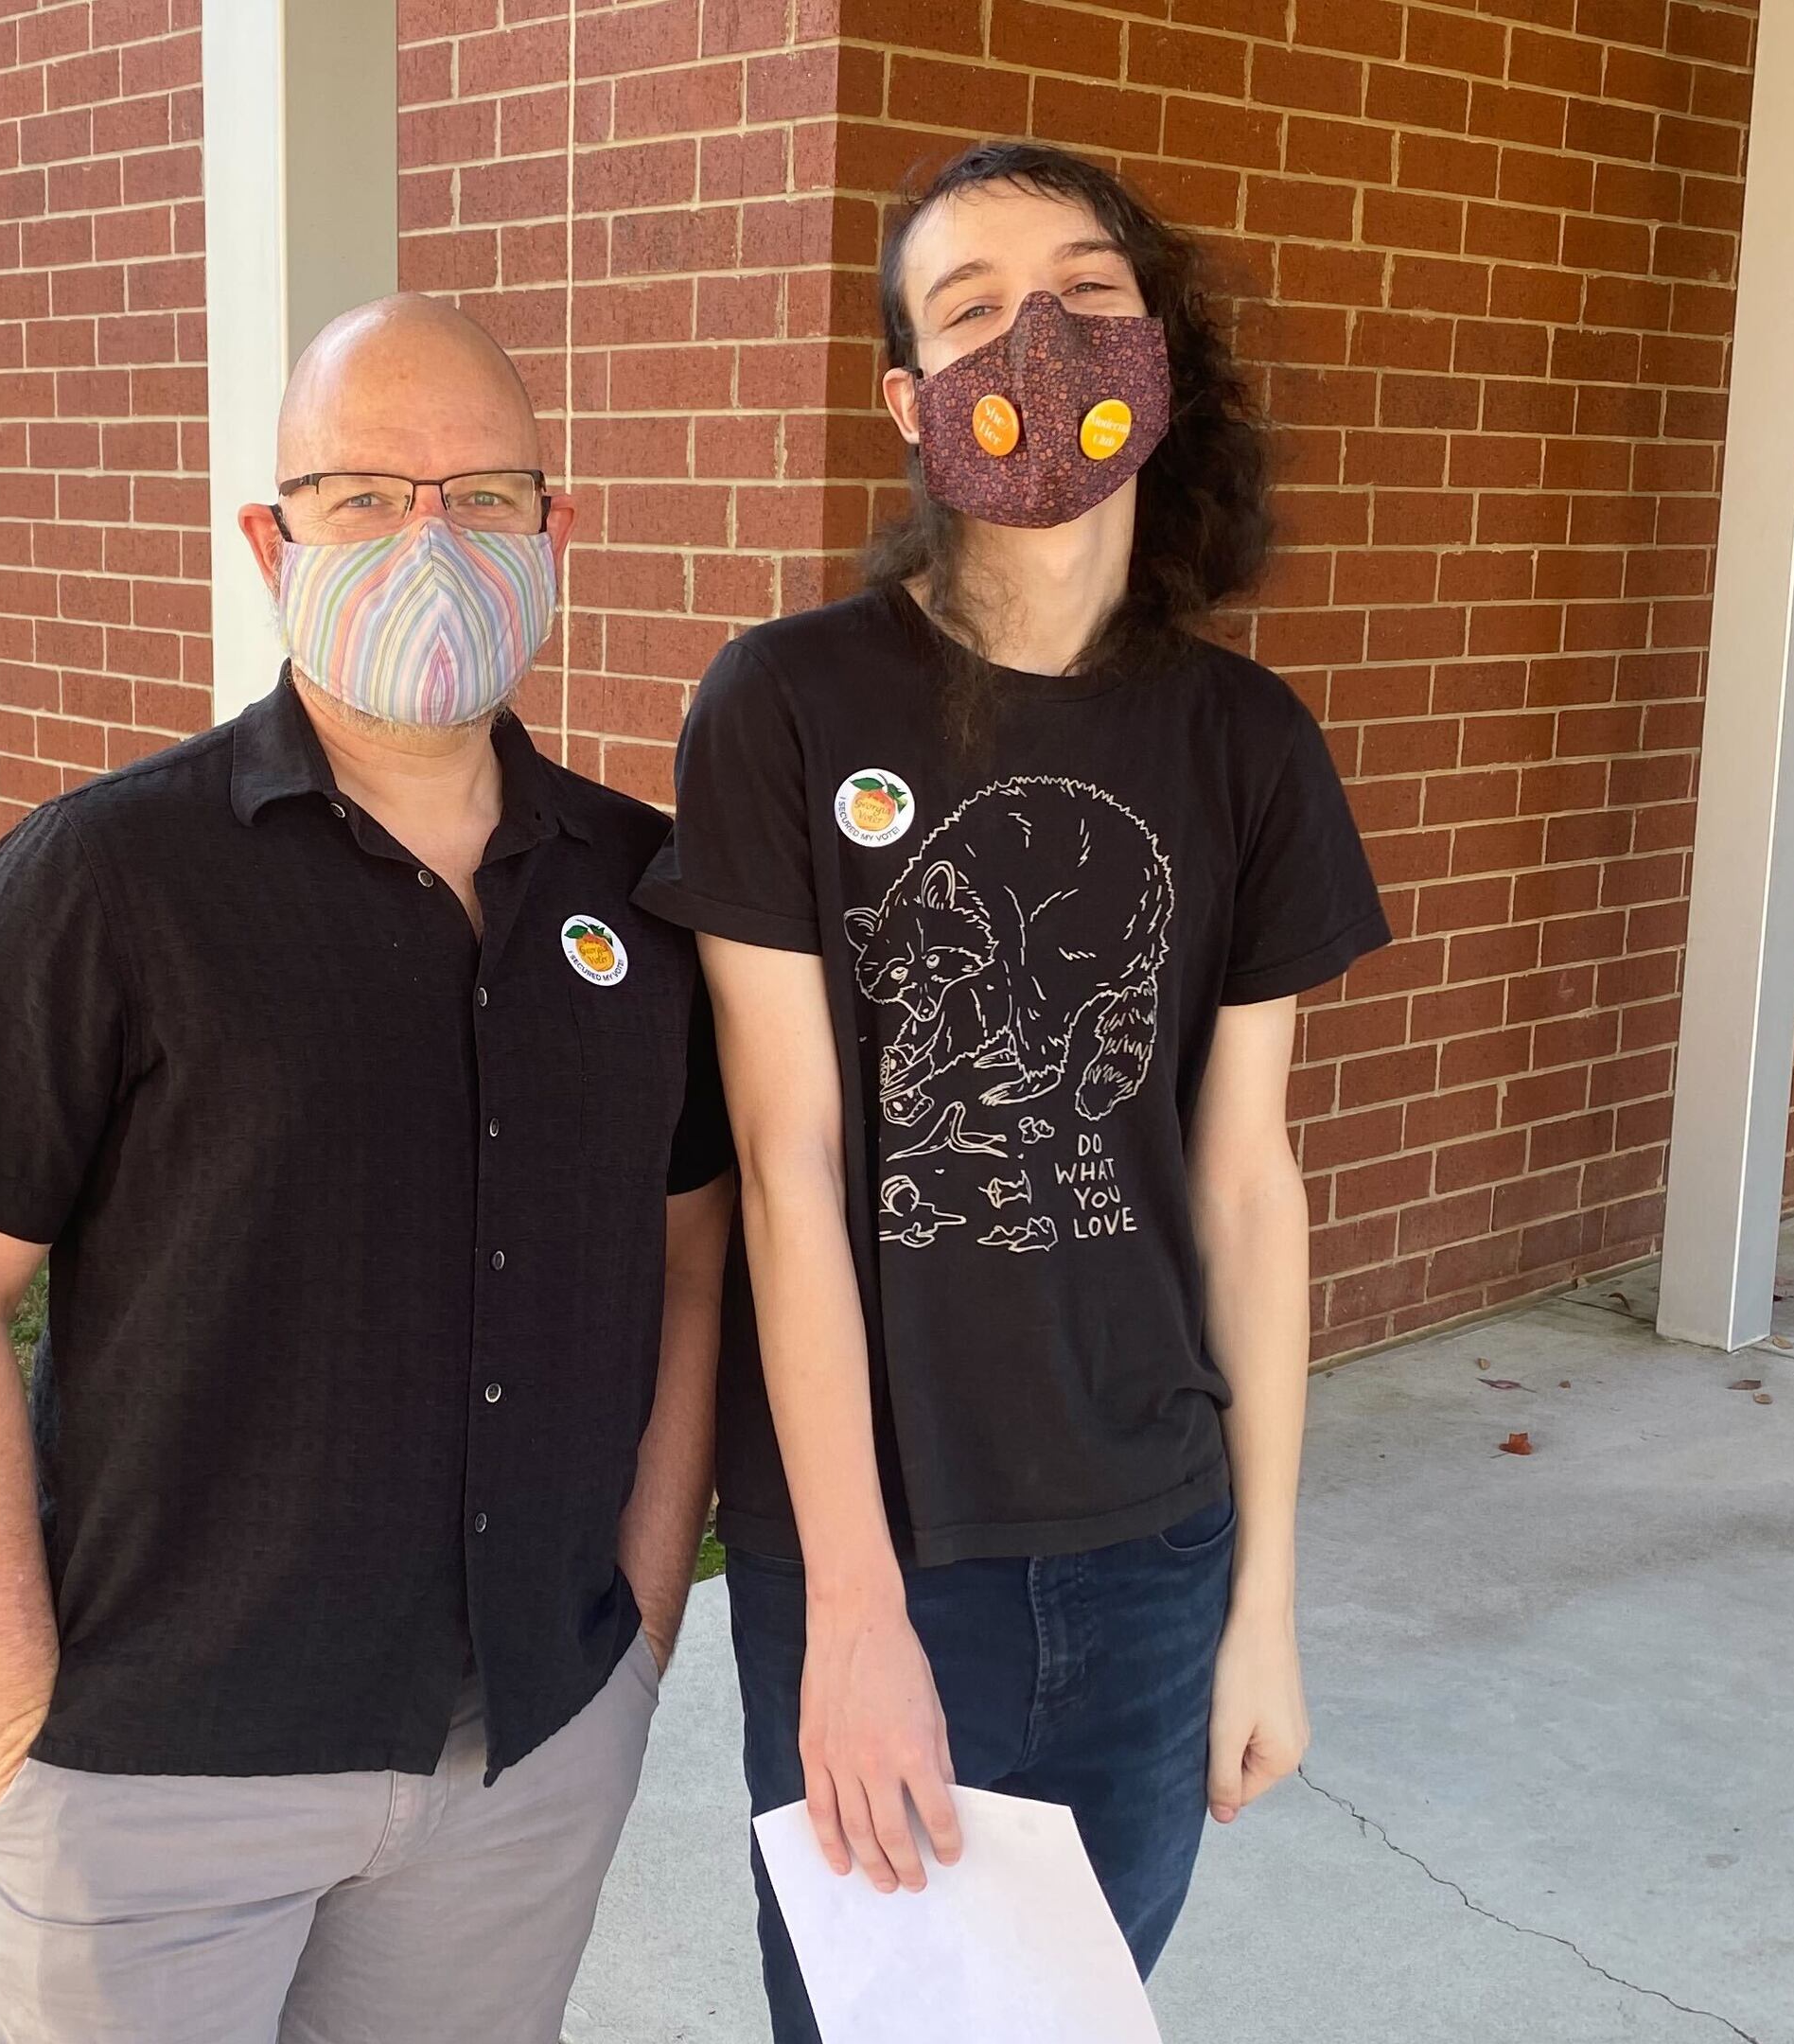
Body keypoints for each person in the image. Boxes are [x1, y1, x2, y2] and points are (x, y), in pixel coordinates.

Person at [0, 292, 736, 2044]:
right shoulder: (105, 884)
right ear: (274, 539)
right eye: (363, 496)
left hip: (525, 1762)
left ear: (556, 533)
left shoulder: (647, 895)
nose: (432, 538)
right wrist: (17, 1724)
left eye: (486, 497)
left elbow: (694, 1269)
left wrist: (632, 1635)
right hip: (153, 1774)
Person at [635, 140, 1392, 2034]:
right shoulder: (785, 708)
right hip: (887, 1548)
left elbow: (1245, 1190)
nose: (1035, 339)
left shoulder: (1249, 745)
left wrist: (1268, 1611)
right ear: (907, 400)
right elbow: (788, 1171)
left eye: (1086, 292)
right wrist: (854, 1616)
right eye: (971, 310)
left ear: (1163, 355)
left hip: (1155, 1544)